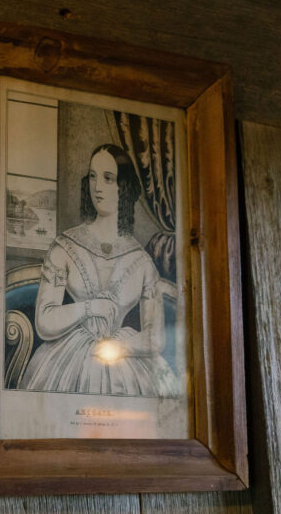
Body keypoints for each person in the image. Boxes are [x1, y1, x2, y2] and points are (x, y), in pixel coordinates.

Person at [16, 144, 179, 397]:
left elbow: (155, 338)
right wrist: (90, 308)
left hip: (124, 359)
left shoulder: (142, 261)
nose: (97, 187)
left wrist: (117, 347)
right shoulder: (65, 247)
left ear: (123, 187)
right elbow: (44, 322)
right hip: (68, 357)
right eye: (92, 176)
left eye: (108, 178)